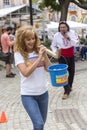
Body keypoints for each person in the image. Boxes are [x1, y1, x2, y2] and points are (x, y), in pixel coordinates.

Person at [14, 25, 51, 130]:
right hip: (28, 95)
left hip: (43, 93)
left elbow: (48, 69)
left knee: (40, 125)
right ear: (22, 40)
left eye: (33, 38)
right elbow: (26, 73)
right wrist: (39, 58)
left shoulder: (38, 50)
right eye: (28, 39)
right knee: (39, 124)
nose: (31, 41)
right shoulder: (19, 54)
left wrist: (45, 55)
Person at [51, 21, 79, 100]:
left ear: (67, 27)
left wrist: (68, 38)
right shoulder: (56, 35)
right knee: (63, 73)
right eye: (61, 27)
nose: (62, 29)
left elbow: (76, 44)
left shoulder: (72, 33)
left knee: (72, 72)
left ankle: (69, 86)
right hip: (62, 56)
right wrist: (55, 53)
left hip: (71, 55)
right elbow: (53, 45)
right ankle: (66, 91)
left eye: (64, 27)